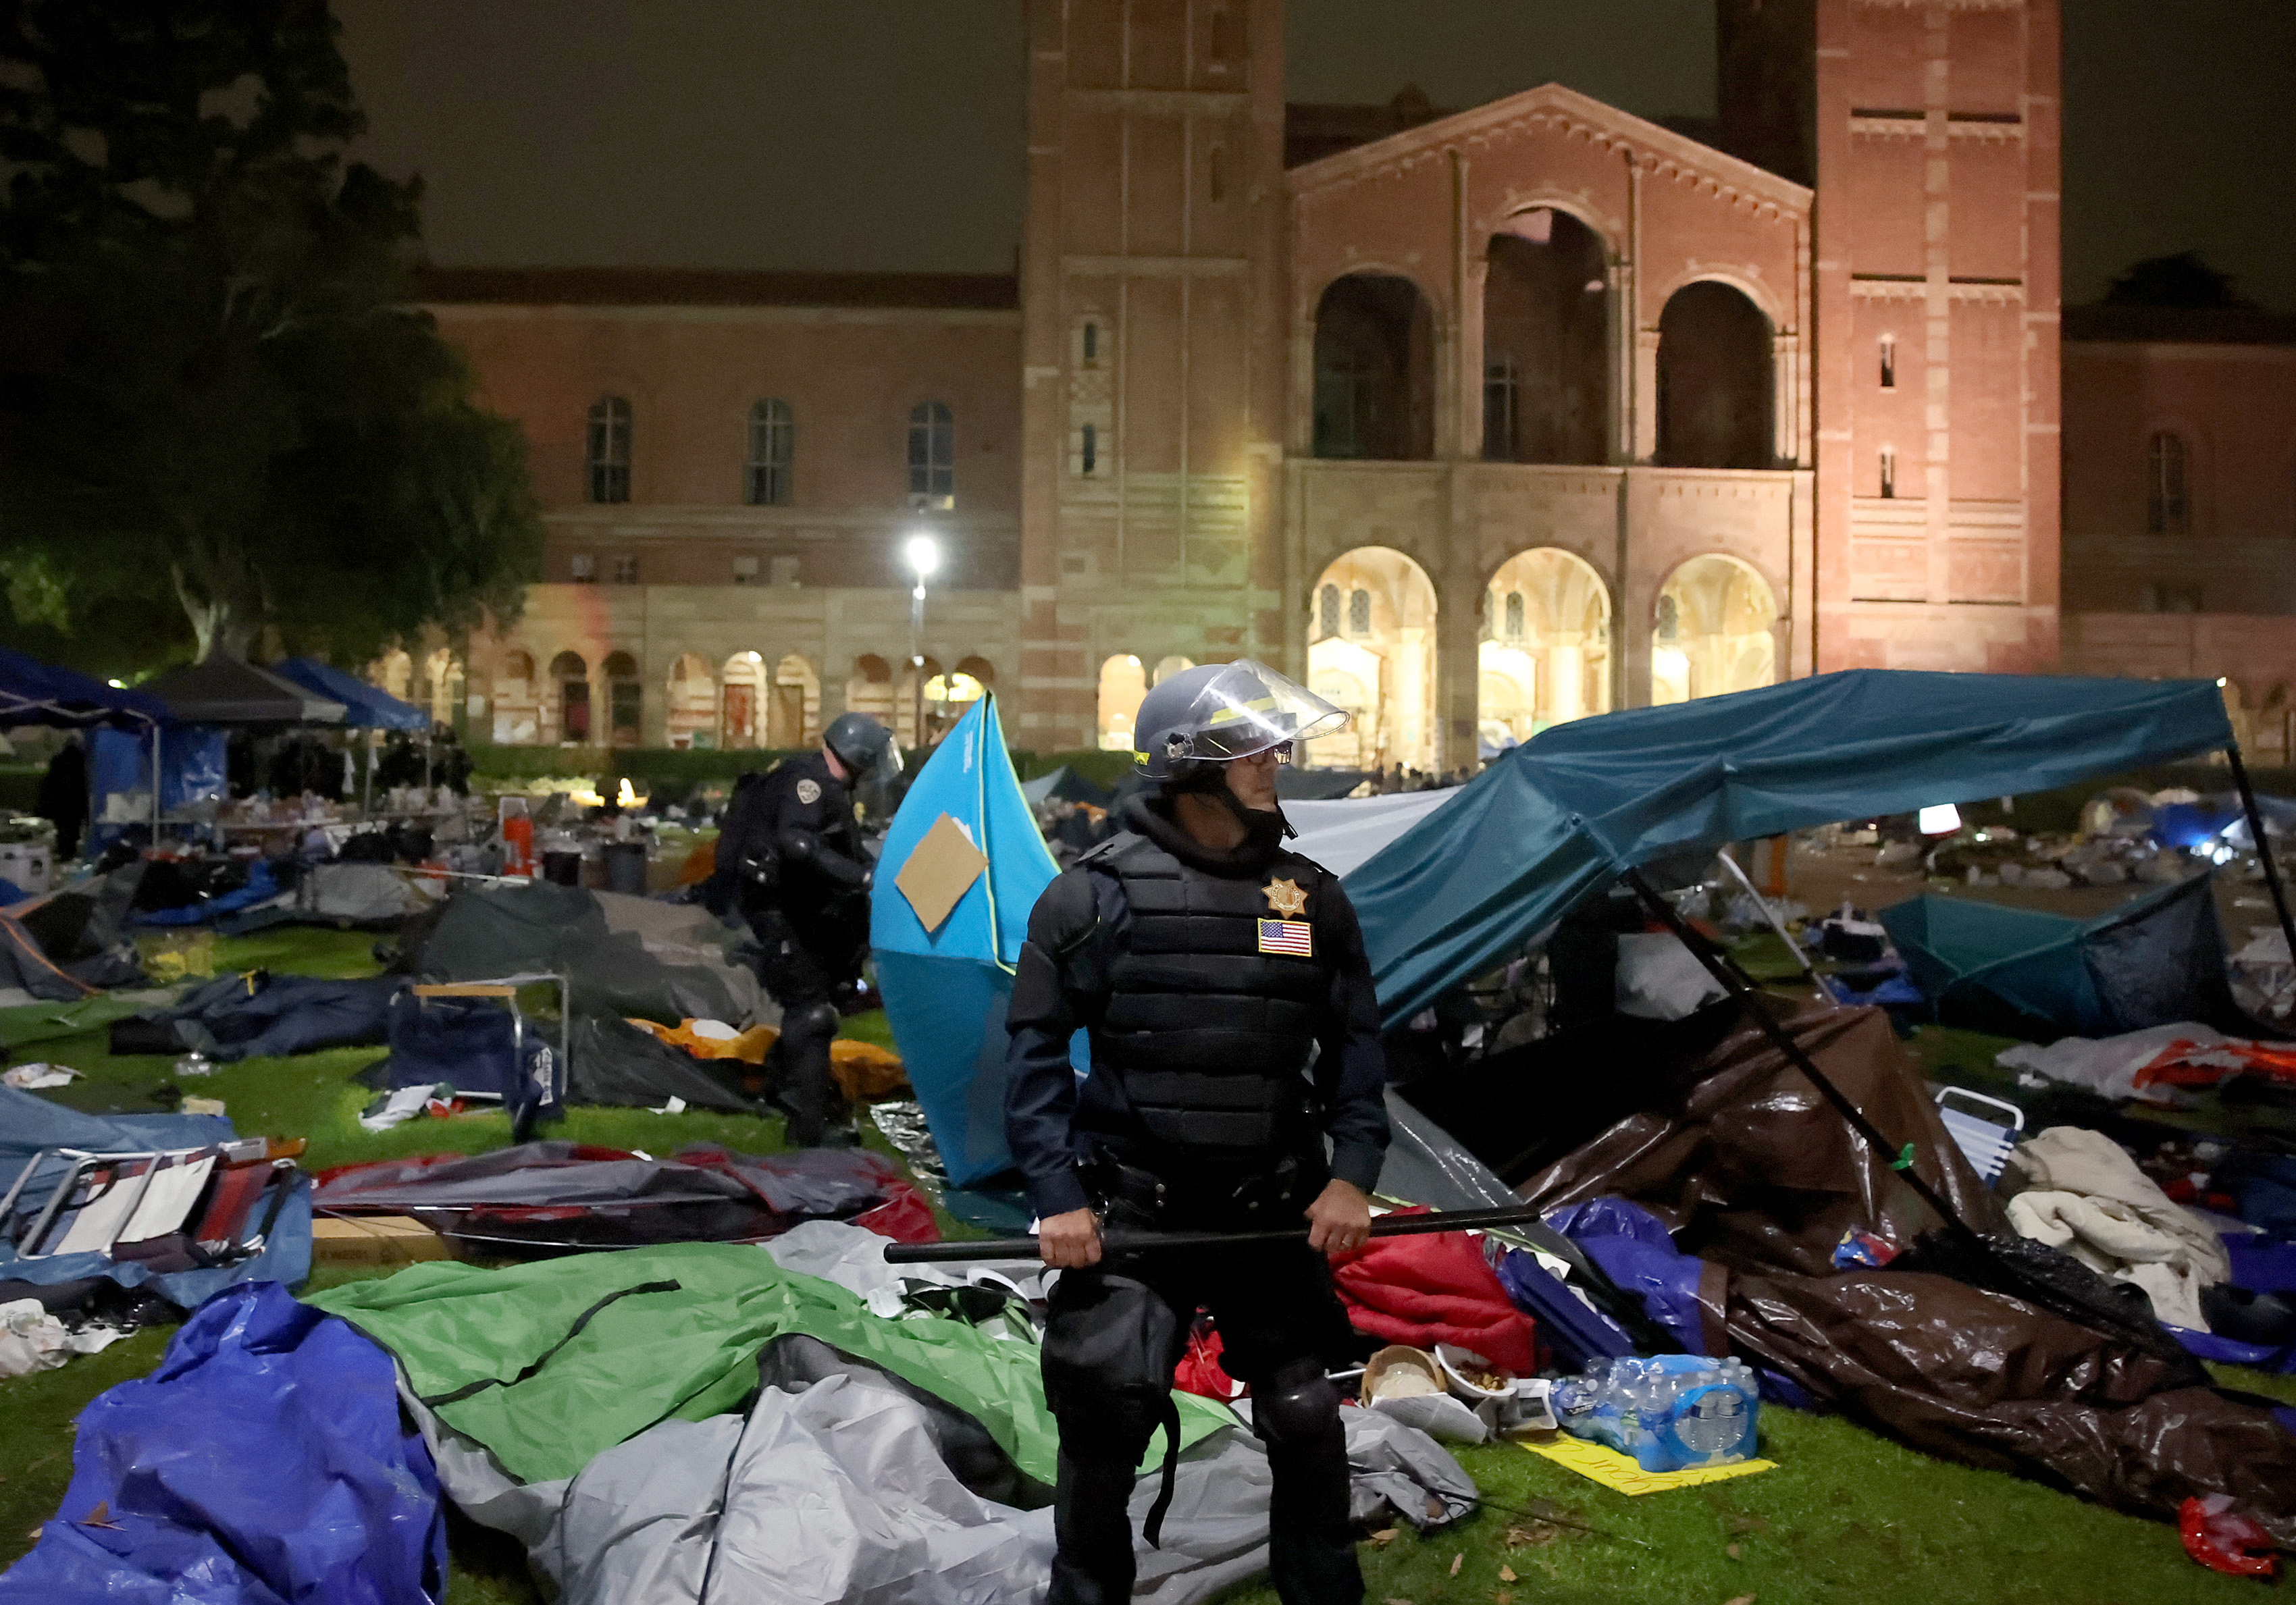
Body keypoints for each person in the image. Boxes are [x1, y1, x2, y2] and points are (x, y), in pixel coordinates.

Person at [1005, 659, 1390, 1605]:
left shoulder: (1310, 899)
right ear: (1191, 761)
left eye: (1276, 740)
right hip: (1136, 1213)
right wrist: (1056, 1196)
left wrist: (1354, 1175)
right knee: (1103, 1417)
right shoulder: (1089, 899)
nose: (1279, 759)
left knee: (1306, 1414)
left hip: (1270, 1207)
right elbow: (1033, 1057)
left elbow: (1357, 1048)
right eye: (1253, 745)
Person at [706, 711, 899, 1145]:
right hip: (779, 911)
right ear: (855, 754)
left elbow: (832, 846)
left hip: (796, 910)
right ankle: (806, 1129)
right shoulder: (808, 786)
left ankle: (781, 1087)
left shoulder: (822, 783)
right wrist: (862, 878)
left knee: (826, 994)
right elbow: (798, 845)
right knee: (812, 1013)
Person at [35, 735, 87, 863]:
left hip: (60, 801)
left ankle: (64, 850)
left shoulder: (58, 760)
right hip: (76, 801)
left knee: (63, 827)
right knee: (73, 827)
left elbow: (50, 782)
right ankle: (70, 851)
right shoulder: (82, 761)